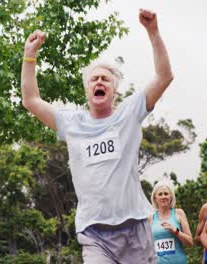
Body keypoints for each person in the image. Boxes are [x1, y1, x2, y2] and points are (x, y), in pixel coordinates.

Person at [20, 8, 173, 264]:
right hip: (94, 234)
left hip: (134, 228)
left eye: (105, 79)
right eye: (94, 79)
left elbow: (164, 76)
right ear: (87, 90)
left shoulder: (129, 114)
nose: (99, 82)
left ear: (113, 90)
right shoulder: (72, 123)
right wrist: (29, 57)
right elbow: (31, 100)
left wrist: (153, 31)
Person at [148, 182, 193, 263]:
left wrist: (176, 231)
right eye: (160, 194)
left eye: (166, 194)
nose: (163, 196)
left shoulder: (179, 213)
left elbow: (190, 243)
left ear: (171, 196)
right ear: (155, 198)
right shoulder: (150, 218)